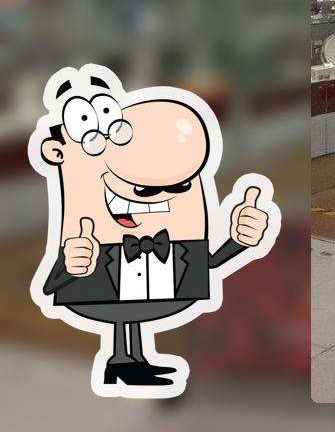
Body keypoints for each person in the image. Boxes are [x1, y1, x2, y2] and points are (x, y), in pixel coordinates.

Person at [30, 65, 277, 396]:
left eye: (178, 186)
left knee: (131, 314)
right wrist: (71, 265)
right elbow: (52, 284)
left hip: (155, 287)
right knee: (122, 312)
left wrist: (240, 240)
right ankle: (122, 361)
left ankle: (131, 361)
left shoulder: (179, 241)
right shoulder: (87, 237)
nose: (153, 195)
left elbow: (209, 263)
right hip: (102, 289)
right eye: (144, 188)